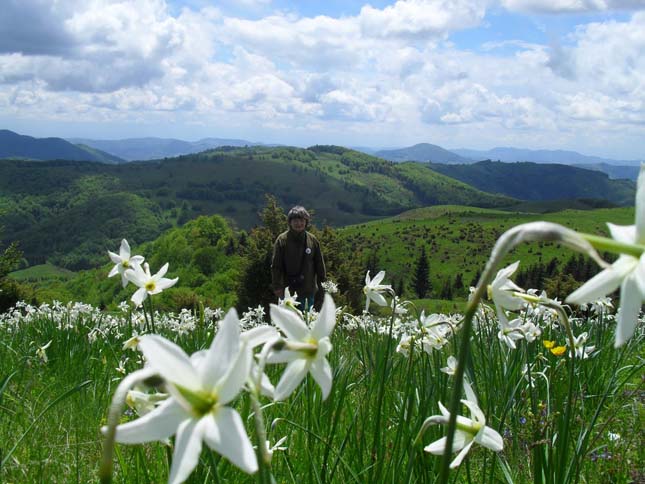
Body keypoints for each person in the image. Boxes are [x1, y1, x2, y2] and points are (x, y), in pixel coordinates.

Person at [271, 206, 326, 311]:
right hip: (288, 292)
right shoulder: (282, 240)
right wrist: (277, 287)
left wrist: (322, 286)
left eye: (301, 220)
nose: (298, 223)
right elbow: (276, 266)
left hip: (308, 290)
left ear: (306, 222)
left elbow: (320, 265)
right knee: (289, 323)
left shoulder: (312, 240)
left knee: (307, 321)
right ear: (290, 222)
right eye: (295, 220)